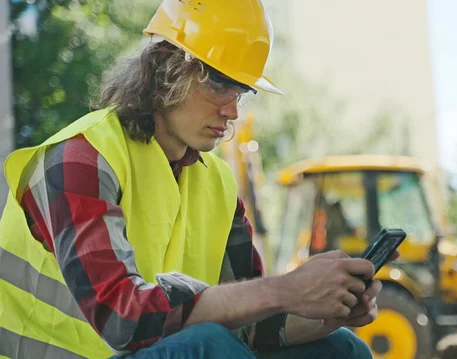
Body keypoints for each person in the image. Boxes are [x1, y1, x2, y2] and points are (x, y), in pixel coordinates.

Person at [0, 1, 396, 358]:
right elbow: (123, 320)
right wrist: (286, 289)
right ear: (163, 69)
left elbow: (254, 325)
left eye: (240, 91)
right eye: (218, 82)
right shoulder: (81, 158)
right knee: (212, 346)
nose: (232, 111)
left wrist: (328, 309)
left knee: (341, 348)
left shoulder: (219, 185)